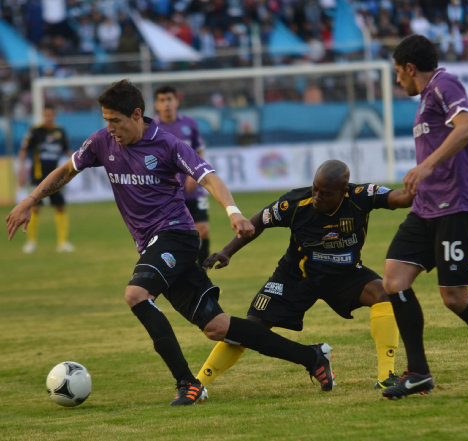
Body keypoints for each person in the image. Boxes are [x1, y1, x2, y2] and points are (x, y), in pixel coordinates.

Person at [6, 80, 335, 406]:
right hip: (153, 244)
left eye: (116, 121)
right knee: (217, 327)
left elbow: (209, 177)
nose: (111, 129)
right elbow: (66, 170)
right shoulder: (101, 142)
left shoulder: (168, 144)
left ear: (136, 114)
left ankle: (187, 384)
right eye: (106, 121)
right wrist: (29, 200)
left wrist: (233, 212)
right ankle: (311, 356)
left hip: (176, 236)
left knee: (136, 294)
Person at [381, 34, 468, 400]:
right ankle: (419, 373)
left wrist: (425, 165)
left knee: (454, 297)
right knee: (394, 280)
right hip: (426, 208)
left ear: (411, 68)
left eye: (398, 73)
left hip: (457, 207)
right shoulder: (427, 97)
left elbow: (467, 128)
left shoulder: (444, 83)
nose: (397, 81)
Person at [198, 159, 414, 390]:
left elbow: (399, 199)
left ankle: (386, 376)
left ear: (344, 191)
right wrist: (227, 252)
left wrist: (421, 186)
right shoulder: (295, 202)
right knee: (251, 327)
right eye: (315, 189)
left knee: (383, 292)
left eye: (326, 193)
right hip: (296, 275)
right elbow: (257, 222)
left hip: (345, 275)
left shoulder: (361, 196)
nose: (318, 197)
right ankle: (198, 383)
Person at [154, 85, 211, 265]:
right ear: (157, 104)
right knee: (173, 235)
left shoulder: (190, 123)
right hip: (168, 192)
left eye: (169, 99)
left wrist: (196, 175)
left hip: (193, 189)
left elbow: (199, 150)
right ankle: (181, 271)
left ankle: (202, 270)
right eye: (162, 100)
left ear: (176, 101)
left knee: (203, 230)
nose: (167, 104)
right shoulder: (152, 128)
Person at [17, 105, 75, 254]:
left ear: (54, 115)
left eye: (51, 115)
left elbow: (66, 150)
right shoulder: (35, 131)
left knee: (60, 206)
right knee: (35, 207)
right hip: (38, 176)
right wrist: (21, 170)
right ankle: (31, 242)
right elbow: (23, 150)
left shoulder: (60, 132)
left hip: (55, 177)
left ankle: (62, 243)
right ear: (43, 116)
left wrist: (78, 159)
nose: (48, 117)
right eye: (46, 115)